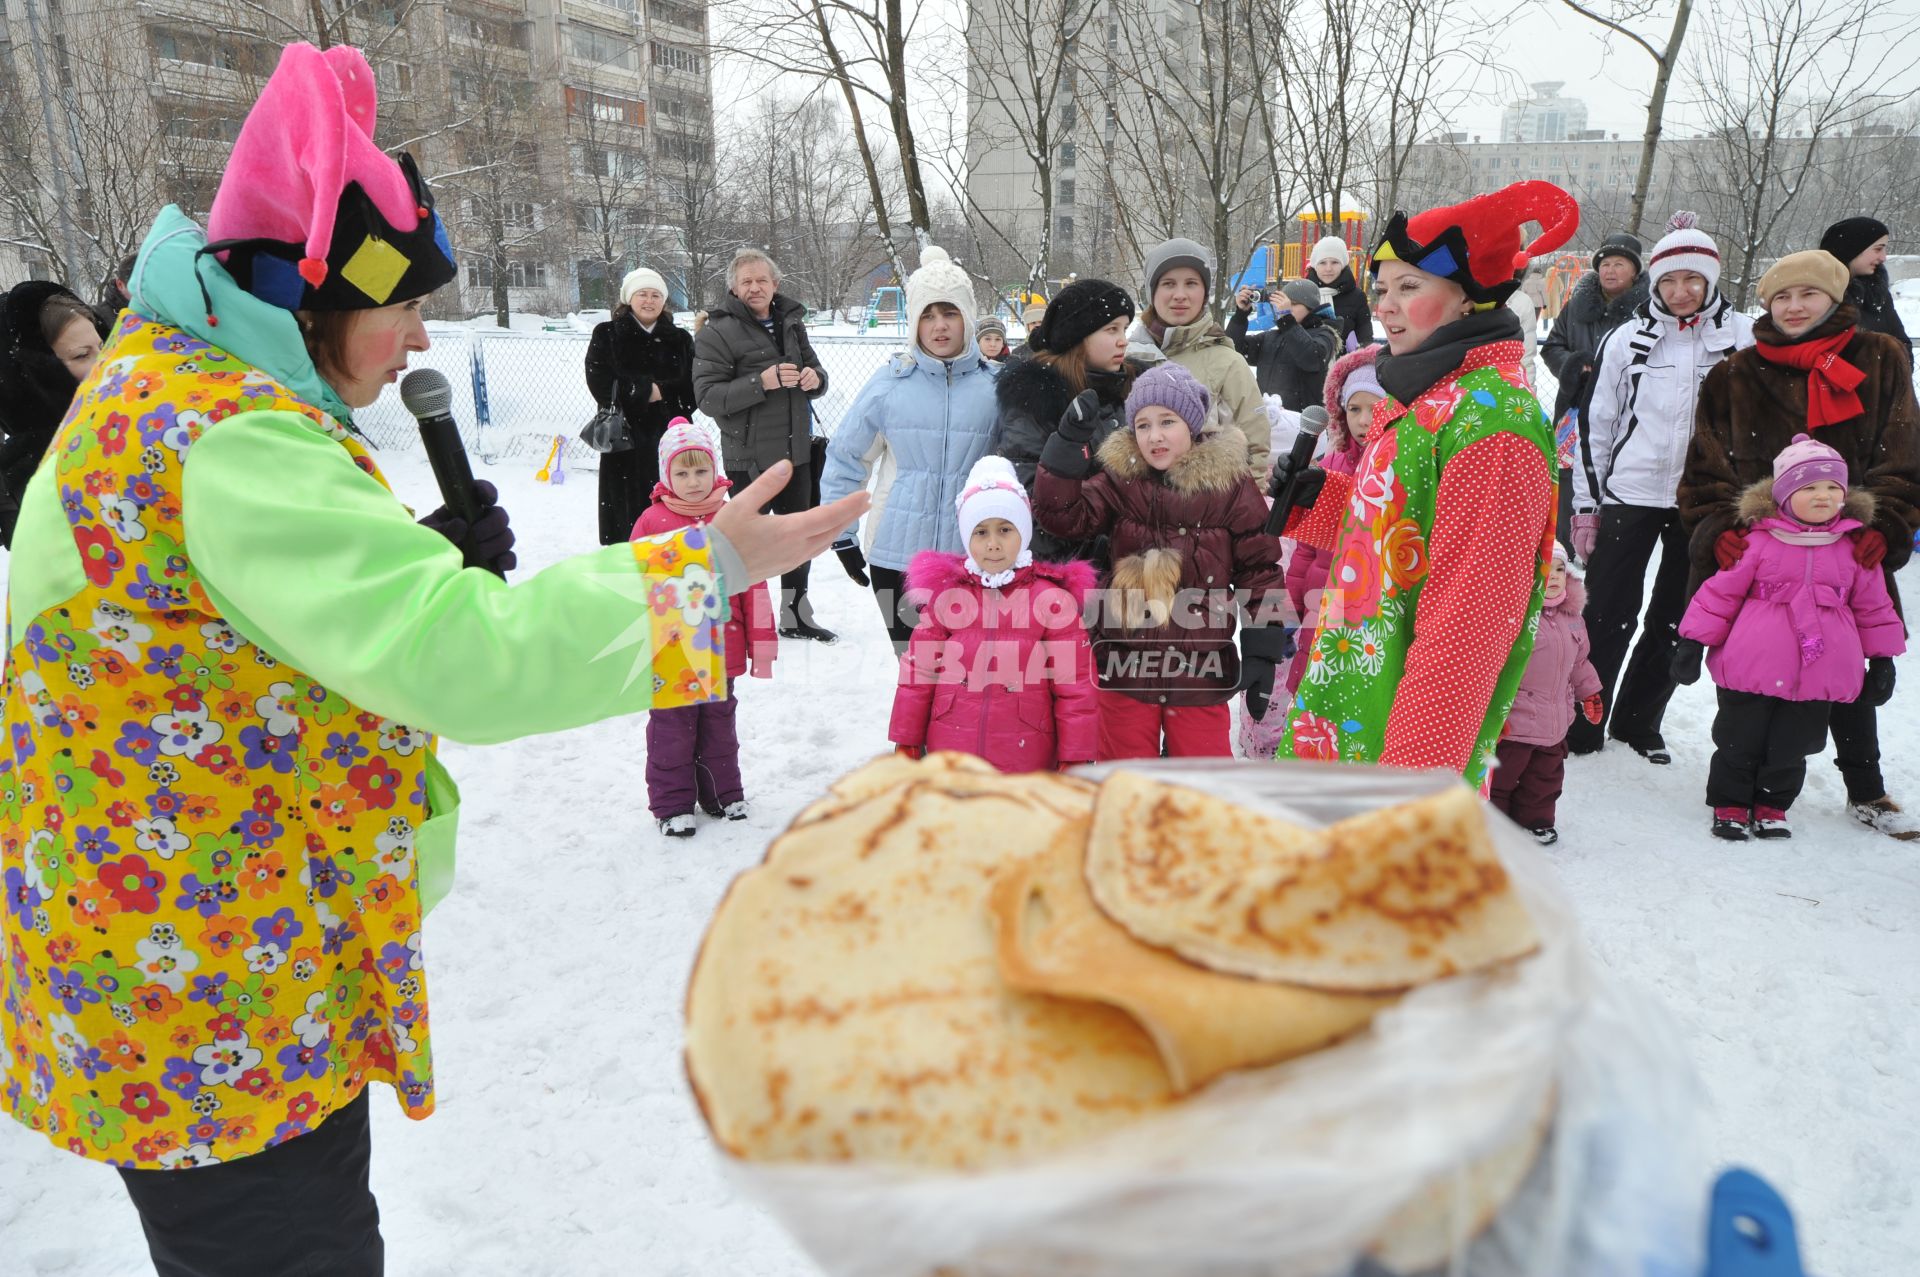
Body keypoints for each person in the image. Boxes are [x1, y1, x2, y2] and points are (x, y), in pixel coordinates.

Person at [0, 44, 862, 1274]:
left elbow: (219, 629)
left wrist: (403, 548)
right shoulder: (227, 433)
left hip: (178, 954)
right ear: (309, 296)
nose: (415, 340)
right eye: (403, 307)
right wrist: (704, 568)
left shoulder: (169, 386)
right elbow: (457, 656)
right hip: (211, 981)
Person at [1267, 180, 1578, 789]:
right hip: (1355, 696)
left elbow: (1471, 617)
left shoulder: (1493, 425)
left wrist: (1418, 776)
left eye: (1409, 288)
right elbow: (1405, 538)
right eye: (1382, 290)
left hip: (1402, 739)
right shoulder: (1428, 398)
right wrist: (1319, 500)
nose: (1384, 307)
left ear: (1470, 299)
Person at [1679, 248, 1920, 840]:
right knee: (1753, 675)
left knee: (1846, 667)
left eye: (1807, 294)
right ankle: (1738, 787)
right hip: (1765, 554)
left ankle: (1866, 788)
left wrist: (1881, 525)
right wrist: (1722, 530)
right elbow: (1705, 469)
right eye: (1781, 297)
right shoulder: (1733, 373)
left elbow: (1904, 455)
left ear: (1835, 298)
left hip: (1847, 546)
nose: (1793, 307)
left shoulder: (1880, 358)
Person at [1567, 213, 1754, 762]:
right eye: (1669, 281)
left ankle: (1638, 722)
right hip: (1630, 492)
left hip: (1705, 500)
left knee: (1676, 616)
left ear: (1711, 280)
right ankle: (1583, 718)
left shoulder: (1741, 338)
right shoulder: (1627, 339)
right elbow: (1595, 424)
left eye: (1692, 280)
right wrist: (1586, 504)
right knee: (1605, 614)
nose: (1679, 292)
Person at [1034, 362, 1288, 760]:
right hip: (1125, 664)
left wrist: (1262, 650)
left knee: (1199, 787)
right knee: (1126, 781)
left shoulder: (1230, 486)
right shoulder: (1122, 478)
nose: (1155, 437)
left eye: (1167, 421)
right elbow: (1063, 516)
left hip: (1200, 672)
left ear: (1191, 423)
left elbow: (1261, 570)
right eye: (1143, 425)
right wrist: (1065, 447)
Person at [1673, 434, 1905, 841]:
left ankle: (1772, 804)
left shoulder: (1853, 548)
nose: (1823, 496)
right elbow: (1719, 594)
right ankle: (1730, 802)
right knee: (1738, 739)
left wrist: (1883, 659)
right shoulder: (1758, 541)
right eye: (1809, 487)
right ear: (1783, 494)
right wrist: (1692, 642)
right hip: (1752, 665)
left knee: (1793, 745)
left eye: (1833, 487)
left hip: (1818, 672)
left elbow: (1874, 608)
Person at [820, 247, 1001, 651]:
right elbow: (848, 459)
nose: (939, 326)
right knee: (915, 676)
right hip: (897, 557)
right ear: (914, 323)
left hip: (973, 558)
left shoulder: (996, 389)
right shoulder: (889, 385)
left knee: (967, 679)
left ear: (968, 318)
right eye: (927, 315)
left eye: (950, 313)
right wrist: (841, 535)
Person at [889, 455, 1098, 771]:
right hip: (952, 751)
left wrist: (1076, 755)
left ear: (1024, 532)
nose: (993, 544)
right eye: (981, 532)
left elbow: (1076, 687)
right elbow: (918, 675)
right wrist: (906, 740)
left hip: (1025, 754)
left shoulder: (1052, 601)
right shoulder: (947, 598)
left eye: (1005, 529)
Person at [632, 419, 777, 836]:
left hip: (722, 647)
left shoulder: (731, 518)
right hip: (671, 650)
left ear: (715, 469)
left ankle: (722, 793)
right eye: (682, 472)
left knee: (719, 724)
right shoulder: (650, 523)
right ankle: (672, 804)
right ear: (666, 476)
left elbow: (754, 582)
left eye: (701, 471)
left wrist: (761, 644)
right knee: (671, 729)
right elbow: (631, 587)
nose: (693, 482)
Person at [693, 247, 836, 642]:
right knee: (743, 546)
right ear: (734, 289)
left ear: (775, 284)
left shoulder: (790, 322)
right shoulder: (717, 332)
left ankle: (795, 615)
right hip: (749, 458)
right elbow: (707, 397)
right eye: (746, 281)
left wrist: (815, 380)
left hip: (797, 455)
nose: (755, 287)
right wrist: (763, 382)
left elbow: (817, 369)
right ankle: (738, 620)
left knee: (798, 540)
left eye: (762, 280)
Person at [991, 277, 1138, 562]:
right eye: (1111, 329)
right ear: (1077, 338)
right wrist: (1103, 549)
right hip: (1071, 577)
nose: (1123, 340)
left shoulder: (1132, 389)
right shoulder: (1035, 401)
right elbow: (1032, 507)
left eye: (1124, 329)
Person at [1281, 343, 1382, 699]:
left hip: (1370, 619)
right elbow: (1305, 551)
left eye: (1376, 408)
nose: (1364, 420)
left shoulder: (1400, 471)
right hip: (1321, 608)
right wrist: (1289, 610)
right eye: (1354, 408)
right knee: (1314, 699)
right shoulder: (1329, 466)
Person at [1542, 232, 1648, 552]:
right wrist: (1574, 365)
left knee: (1615, 478)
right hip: (1576, 410)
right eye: (1605, 264)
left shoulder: (1648, 311)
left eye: (1619, 264)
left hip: (1627, 413)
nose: (1610, 270)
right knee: (1569, 479)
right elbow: (1552, 347)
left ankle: (1608, 548)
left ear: (1634, 271)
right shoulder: (1577, 307)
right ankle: (1565, 548)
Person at [1492, 543, 1603, 845]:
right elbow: (1494, 670)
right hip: (1515, 723)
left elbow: (1578, 662)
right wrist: (1491, 714)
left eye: (1559, 569)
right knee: (1502, 777)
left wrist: (1589, 692)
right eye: (1544, 567)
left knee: (1545, 778)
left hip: (1555, 722)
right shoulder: (1515, 619)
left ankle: (1535, 820)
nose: (1553, 576)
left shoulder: (1571, 617)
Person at [1132, 237, 1271, 478]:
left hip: (1209, 509)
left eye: (1191, 283)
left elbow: (1255, 448)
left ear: (1204, 292)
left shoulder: (1228, 363)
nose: (1180, 295)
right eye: (1168, 283)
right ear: (1152, 291)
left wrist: (1247, 507)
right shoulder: (1126, 357)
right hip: (1132, 508)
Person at [585, 266, 697, 546]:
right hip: (625, 438)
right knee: (627, 520)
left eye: (656, 295)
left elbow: (694, 388)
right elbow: (598, 381)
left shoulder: (680, 339)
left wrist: (663, 393)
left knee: (673, 516)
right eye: (643, 294)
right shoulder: (607, 334)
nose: (649, 301)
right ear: (629, 299)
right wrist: (643, 391)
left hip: (670, 436)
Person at [0, 281, 108, 546]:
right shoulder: (34, 465)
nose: (105, 364)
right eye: (82, 355)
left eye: (103, 347)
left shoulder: (123, 422)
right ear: (37, 371)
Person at [1228, 277, 1340, 410]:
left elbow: (1311, 358)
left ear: (1310, 307)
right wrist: (1240, 315)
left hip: (1302, 423)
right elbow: (1232, 349)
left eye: (1293, 303)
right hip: (1267, 419)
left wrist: (1287, 318)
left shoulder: (1325, 335)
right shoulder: (1272, 336)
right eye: (1285, 303)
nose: (1286, 307)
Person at [1821, 216, 1911, 367]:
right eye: (1878, 249)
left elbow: (1903, 348)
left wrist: (1885, 379)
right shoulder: (1817, 295)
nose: (1883, 257)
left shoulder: (1877, 294)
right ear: (1851, 249)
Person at [1307, 234, 1374, 346]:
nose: (1328, 268)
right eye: (1322, 263)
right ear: (1314, 265)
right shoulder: (1303, 295)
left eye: (1334, 262)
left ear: (1343, 265)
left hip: (1347, 363)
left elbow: (1365, 339)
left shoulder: (1357, 297)